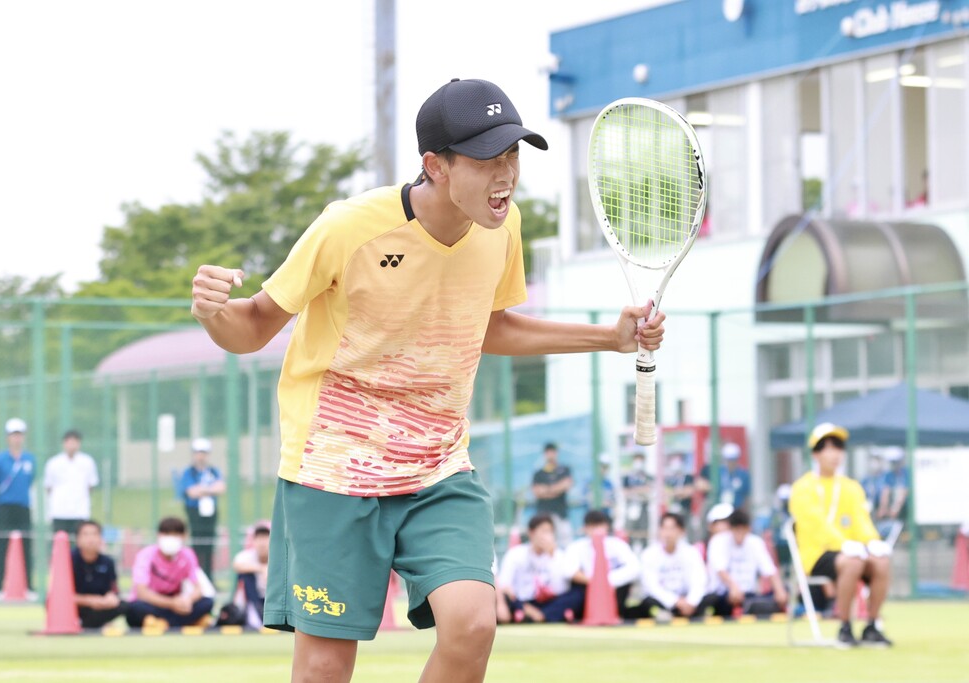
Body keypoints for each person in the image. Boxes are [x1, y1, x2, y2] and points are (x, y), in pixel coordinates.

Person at [190, 76, 667, 682]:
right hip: (332, 468)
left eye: (513, 155)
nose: (506, 175)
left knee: (473, 625)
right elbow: (254, 326)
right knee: (324, 668)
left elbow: (489, 326)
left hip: (439, 466)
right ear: (436, 166)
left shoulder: (503, 227)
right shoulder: (349, 227)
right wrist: (213, 313)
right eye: (488, 160)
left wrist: (611, 338)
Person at [789, 423, 893, 648]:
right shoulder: (802, 487)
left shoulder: (851, 487)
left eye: (838, 447)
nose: (835, 454)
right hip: (817, 554)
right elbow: (816, 524)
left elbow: (862, 521)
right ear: (816, 453)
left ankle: (871, 626)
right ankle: (845, 626)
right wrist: (843, 544)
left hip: (852, 550)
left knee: (881, 562)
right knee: (852, 563)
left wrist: (873, 541)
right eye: (828, 448)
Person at [125, 517, 214, 629]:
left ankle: (161, 624)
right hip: (154, 603)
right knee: (134, 608)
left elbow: (198, 588)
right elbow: (141, 592)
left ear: (184, 536)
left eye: (175, 534)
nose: (171, 538)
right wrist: (171, 603)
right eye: (167, 534)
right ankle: (183, 623)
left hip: (176, 603)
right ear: (158, 535)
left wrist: (188, 600)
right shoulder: (146, 555)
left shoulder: (187, 554)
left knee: (207, 602)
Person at [561, 509, 640, 621]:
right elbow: (569, 571)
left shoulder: (617, 545)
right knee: (576, 592)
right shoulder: (576, 547)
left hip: (613, 588)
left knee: (624, 586)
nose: (596, 530)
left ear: (606, 526)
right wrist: (595, 582)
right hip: (588, 588)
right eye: (592, 526)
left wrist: (607, 581)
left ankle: (617, 615)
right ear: (585, 528)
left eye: (599, 525)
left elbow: (634, 568)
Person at [629, 512, 710, 621]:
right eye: (664, 528)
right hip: (663, 602)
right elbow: (651, 586)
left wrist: (691, 601)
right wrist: (675, 601)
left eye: (672, 529)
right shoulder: (649, 554)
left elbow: (699, 580)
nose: (668, 533)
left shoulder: (691, 552)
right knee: (648, 602)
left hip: (688, 601)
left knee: (710, 598)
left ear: (682, 531)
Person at [706, 509, 787, 616]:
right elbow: (720, 570)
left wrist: (780, 591)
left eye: (743, 530)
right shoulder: (718, 541)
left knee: (779, 595)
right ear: (731, 529)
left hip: (748, 595)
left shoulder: (755, 543)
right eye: (736, 530)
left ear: (748, 529)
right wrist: (733, 587)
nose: (739, 535)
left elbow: (770, 570)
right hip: (724, 595)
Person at [495, 514, 575, 624]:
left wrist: (552, 557)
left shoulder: (558, 555)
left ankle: (539, 616)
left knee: (576, 594)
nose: (547, 536)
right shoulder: (515, 554)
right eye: (543, 531)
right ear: (531, 533)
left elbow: (561, 589)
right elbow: (505, 584)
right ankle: (535, 614)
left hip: (549, 601)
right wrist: (523, 605)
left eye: (550, 532)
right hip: (523, 601)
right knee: (505, 597)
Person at [0, 417, 36, 592]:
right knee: (2, 546)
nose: (17, 438)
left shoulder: (29, 459)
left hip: (23, 507)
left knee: (26, 547)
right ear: (8, 437)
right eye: (13, 434)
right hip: (4, 508)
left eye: (19, 434)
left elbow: (30, 480)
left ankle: (29, 586)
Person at [176, 438, 225, 582]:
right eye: (198, 452)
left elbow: (221, 488)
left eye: (203, 452)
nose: (201, 456)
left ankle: (209, 578)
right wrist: (210, 489)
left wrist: (202, 490)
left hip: (210, 512)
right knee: (197, 545)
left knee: (209, 545)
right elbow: (191, 491)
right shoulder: (189, 472)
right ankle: (196, 578)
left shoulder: (213, 471)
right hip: (194, 511)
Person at [71, 520, 126, 629]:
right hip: (76, 605)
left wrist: (110, 598)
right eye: (86, 534)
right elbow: (62, 594)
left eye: (94, 534)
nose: (90, 539)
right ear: (78, 539)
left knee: (123, 605)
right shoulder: (68, 560)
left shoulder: (108, 562)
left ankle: (89, 624)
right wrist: (90, 600)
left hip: (99, 606)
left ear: (101, 539)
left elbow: (113, 590)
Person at [44, 430, 100, 537]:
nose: (72, 445)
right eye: (69, 442)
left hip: (80, 511)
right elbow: (48, 487)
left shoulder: (87, 462)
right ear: (64, 443)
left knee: (78, 542)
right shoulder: (53, 463)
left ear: (79, 444)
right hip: (59, 511)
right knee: (60, 541)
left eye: (75, 442)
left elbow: (91, 485)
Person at [228, 523, 270, 630]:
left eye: (265, 538)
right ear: (254, 541)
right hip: (254, 599)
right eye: (259, 539)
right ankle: (255, 613)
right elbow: (236, 565)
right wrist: (261, 568)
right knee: (245, 575)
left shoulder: (279, 557)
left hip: (271, 599)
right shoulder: (247, 556)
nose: (262, 543)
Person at [532, 443, 574, 546]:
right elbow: (537, 492)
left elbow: (566, 485)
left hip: (561, 513)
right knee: (545, 543)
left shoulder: (564, 470)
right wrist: (556, 489)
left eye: (553, 451)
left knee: (565, 543)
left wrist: (546, 490)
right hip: (544, 514)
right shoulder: (539, 473)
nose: (550, 454)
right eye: (548, 452)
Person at [697, 442, 751, 511]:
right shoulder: (719, 472)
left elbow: (746, 496)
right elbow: (701, 483)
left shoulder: (743, 475)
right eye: (728, 460)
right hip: (720, 508)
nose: (730, 463)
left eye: (733, 460)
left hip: (736, 509)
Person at [877, 446, 908, 541]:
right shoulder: (889, 475)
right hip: (893, 511)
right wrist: (883, 508)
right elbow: (885, 492)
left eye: (896, 462)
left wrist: (895, 509)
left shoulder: (906, 473)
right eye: (892, 462)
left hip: (905, 510)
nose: (894, 464)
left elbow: (904, 492)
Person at [621, 451, 652, 543]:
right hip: (631, 507)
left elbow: (649, 490)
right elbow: (625, 492)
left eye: (640, 460)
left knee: (643, 532)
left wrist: (633, 490)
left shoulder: (647, 477)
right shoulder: (627, 477)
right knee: (629, 532)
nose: (638, 463)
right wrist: (640, 490)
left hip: (643, 507)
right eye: (636, 460)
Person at [664, 451, 695, 529]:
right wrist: (678, 492)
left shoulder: (687, 477)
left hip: (685, 509)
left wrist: (675, 492)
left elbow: (689, 492)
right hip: (672, 509)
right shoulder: (670, 478)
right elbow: (666, 493)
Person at [580, 453, 616, 521]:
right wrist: (603, 502)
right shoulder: (589, 482)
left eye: (606, 467)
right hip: (592, 519)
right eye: (603, 466)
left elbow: (613, 501)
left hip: (605, 518)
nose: (605, 469)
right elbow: (588, 500)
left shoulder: (609, 483)